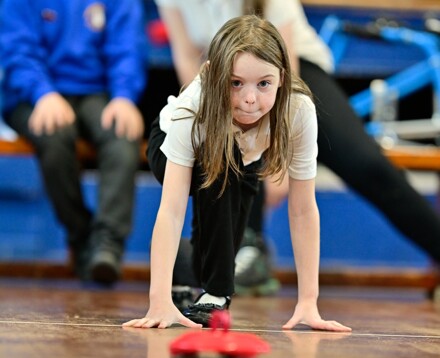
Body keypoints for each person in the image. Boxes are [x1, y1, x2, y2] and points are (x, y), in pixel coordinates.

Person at [153, 0, 440, 297]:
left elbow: (287, 68)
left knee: (366, 166)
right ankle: (247, 251)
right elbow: (188, 57)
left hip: (290, 74)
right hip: (225, 82)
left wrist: (281, 161)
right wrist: (210, 117)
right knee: (230, 159)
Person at [122, 15, 352, 331]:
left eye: (264, 84)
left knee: (224, 236)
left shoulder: (298, 110)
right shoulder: (193, 109)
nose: (249, 98)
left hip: (244, 155)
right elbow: (172, 210)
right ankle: (217, 294)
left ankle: (185, 266)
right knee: (222, 164)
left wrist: (308, 301)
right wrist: (159, 300)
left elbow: (302, 211)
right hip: (172, 149)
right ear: (213, 76)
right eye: (235, 83)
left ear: (282, 78)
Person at [0, 0, 147, 286]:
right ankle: (82, 239)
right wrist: (42, 92)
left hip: (97, 91)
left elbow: (128, 47)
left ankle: (108, 246)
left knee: (122, 134)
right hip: (33, 93)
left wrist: (124, 96)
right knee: (54, 137)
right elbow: (17, 49)